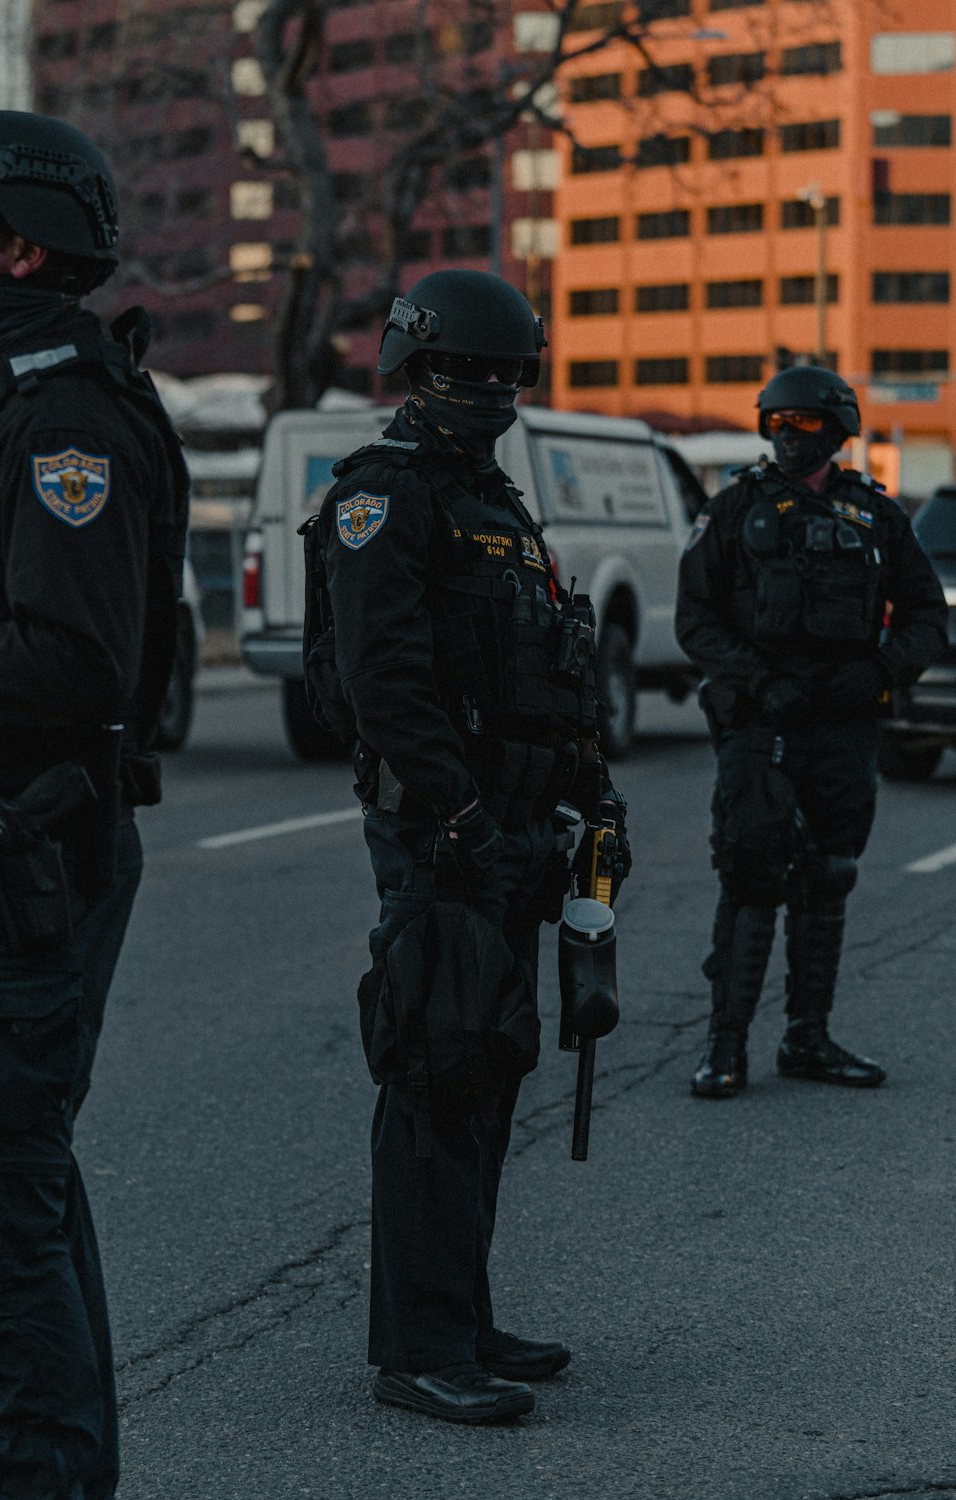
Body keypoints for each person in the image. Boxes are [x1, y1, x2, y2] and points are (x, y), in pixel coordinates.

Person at [313, 269, 630, 1423]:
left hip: (511, 835)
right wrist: (460, 822)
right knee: (438, 1077)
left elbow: (554, 670)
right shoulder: (384, 496)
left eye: (503, 375)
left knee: (487, 1074)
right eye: (462, 372)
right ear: (413, 370)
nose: (486, 392)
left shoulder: (495, 505)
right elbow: (383, 684)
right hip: (443, 839)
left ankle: (464, 1313)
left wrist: (594, 804)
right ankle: (421, 1348)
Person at [0, 111, 188, 1498]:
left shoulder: (65, 411)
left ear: (16, 239)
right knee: (10, 1178)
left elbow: (78, 664)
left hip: (27, 851)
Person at [676, 365, 946, 1099]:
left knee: (830, 875)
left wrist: (883, 673)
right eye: (776, 425)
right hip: (763, 724)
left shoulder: (876, 517)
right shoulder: (733, 509)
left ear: (835, 430)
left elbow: (928, 616)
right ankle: (724, 1046)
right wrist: (759, 682)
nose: (787, 438)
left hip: (844, 725)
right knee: (752, 874)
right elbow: (695, 619)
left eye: (801, 425)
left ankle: (808, 1038)